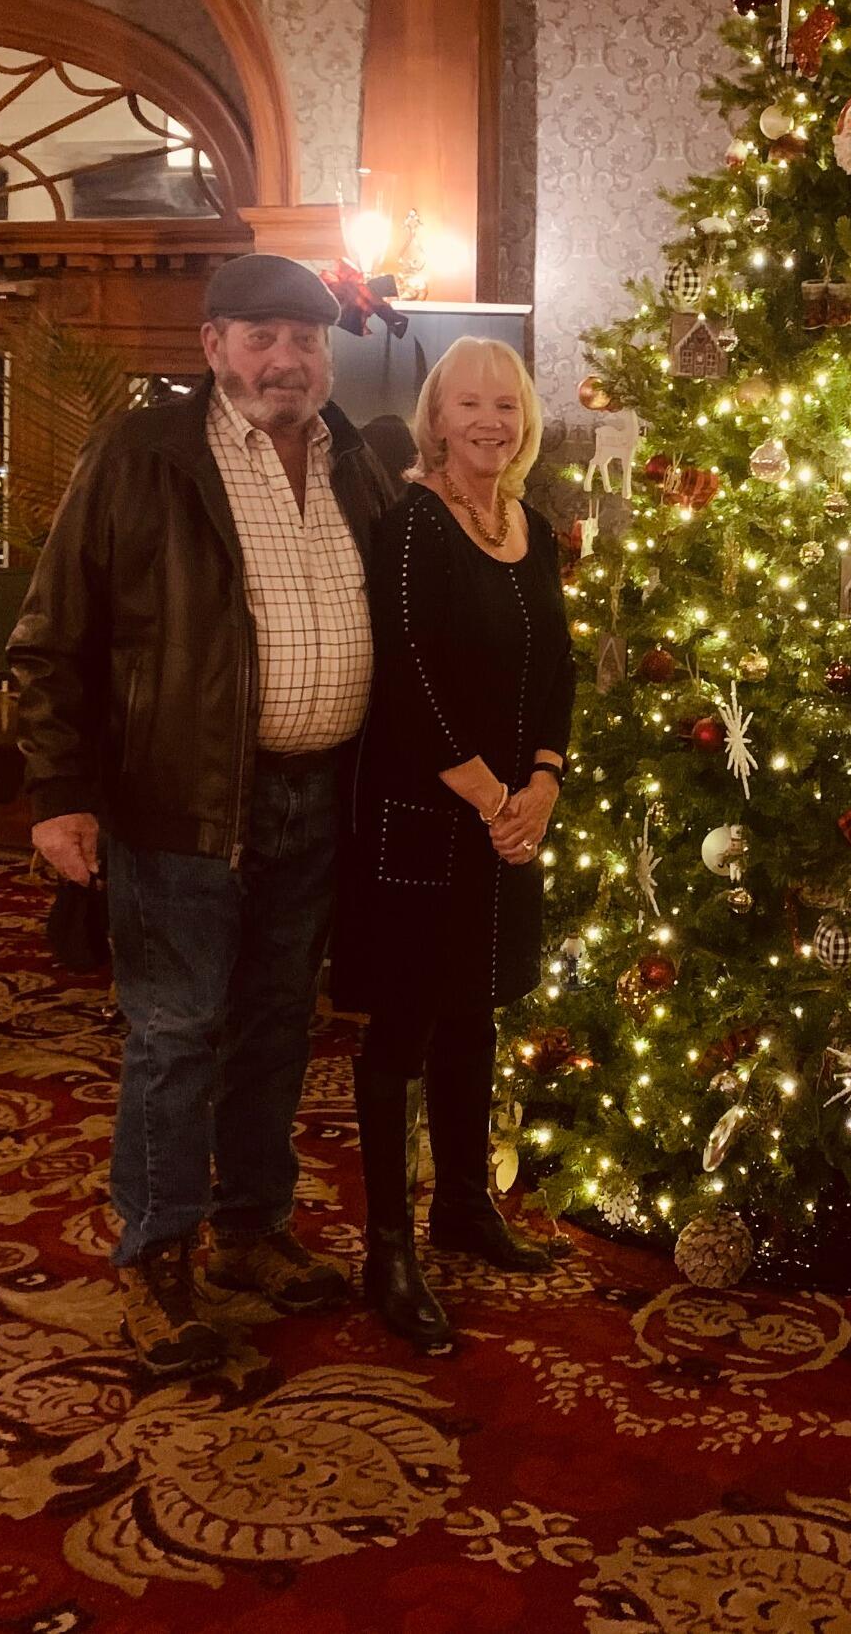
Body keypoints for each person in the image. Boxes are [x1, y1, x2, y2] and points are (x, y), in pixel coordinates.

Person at [9, 253, 397, 1380]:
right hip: (180, 804)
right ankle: (158, 1253)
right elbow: (51, 636)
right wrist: (59, 795)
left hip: (317, 798)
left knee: (279, 1024)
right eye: (262, 335)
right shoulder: (145, 458)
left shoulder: (354, 459)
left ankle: (251, 1228)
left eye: (306, 339)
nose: (287, 358)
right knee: (176, 1038)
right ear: (214, 345)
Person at [340, 336, 576, 1352]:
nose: (490, 421)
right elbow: (406, 676)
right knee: (401, 1032)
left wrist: (546, 782)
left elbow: (558, 667)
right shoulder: (410, 528)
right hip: (423, 819)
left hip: (507, 819)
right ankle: (386, 1246)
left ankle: (464, 1207)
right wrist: (490, 794)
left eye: (507, 405)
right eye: (470, 405)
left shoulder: (535, 529)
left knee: (475, 1011)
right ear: (436, 419)